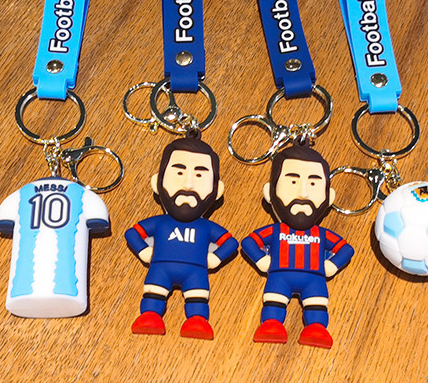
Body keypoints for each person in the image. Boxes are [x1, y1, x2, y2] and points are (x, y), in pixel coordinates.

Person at [241, 144, 354, 349]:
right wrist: (262, 260)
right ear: (269, 192)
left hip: (314, 279)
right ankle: (272, 325)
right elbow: (249, 242)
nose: (303, 193)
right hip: (279, 276)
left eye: (313, 183)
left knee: (317, 306)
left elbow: (346, 249)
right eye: (293, 182)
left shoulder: (321, 234)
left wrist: (332, 265)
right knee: (273, 303)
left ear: (329, 197)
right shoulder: (276, 231)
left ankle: (316, 329)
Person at [125, 136, 237, 339]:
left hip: (196, 272)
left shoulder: (206, 226)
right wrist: (144, 251)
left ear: (217, 190)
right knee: (153, 294)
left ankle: (197, 321)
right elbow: (132, 233)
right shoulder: (160, 222)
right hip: (160, 269)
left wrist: (215, 258)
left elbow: (230, 242)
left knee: (197, 299)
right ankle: (150, 316)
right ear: (157, 182)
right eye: (179, 172)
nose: (188, 183)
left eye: (199, 175)